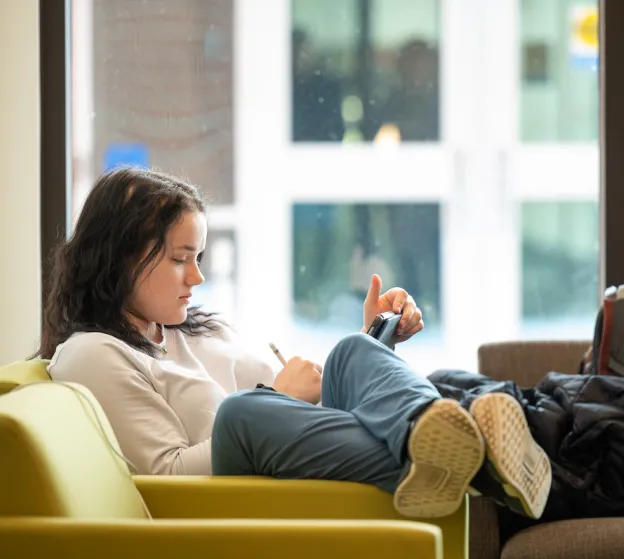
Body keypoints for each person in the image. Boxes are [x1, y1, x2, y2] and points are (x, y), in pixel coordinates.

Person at [39, 167, 551, 520]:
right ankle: (484, 455)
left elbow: (312, 417)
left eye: (198, 257)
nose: (196, 276)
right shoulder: (93, 353)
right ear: (118, 257)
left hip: (302, 449)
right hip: (239, 495)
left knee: (351, 353)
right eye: (179, 258)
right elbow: (164, 479)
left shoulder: (198, 329)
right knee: (244, 414)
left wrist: (377, 341)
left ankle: (438, 438)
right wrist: (276, 397)